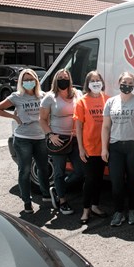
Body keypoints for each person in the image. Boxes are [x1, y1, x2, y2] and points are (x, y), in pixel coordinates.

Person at [102, 72, 134, 227]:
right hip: (115, 147)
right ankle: (118, 212)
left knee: (133, 181)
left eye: (130, 82)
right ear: (119, 82)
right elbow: (106, 126)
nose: (127, 85)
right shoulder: (110, 102)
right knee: (116, 182)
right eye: (125, 82)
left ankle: (132, 210)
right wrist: (104, 148)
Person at [0, 69, 51, 213]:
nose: (29, 82)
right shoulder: (16, 96)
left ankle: (46, 195)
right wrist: (14, 118)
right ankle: (27, 201)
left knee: (43, 168)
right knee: (25, 171)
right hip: (23, 139)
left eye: (31, 79)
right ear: (21, 82)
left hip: (40, 138)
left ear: (36, 80)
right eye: (25, 80)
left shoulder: (43, 96)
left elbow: (51, 111)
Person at [40, 69, 84, 215]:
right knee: (59, 172)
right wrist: (50, 135)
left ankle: (58, 189)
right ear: (55, 80)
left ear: (70, 79)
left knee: (80, 171)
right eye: (60, 77)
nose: (63, 80)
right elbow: (42, 119)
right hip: (59, 139)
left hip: (76, 138)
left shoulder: (77, 94)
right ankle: (63, 201)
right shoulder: (49, 97)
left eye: (65, 77)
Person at [74, 71, 109, 224]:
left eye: (98, 80)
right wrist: (81, 148)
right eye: (92, 80)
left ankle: (95, 206)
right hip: (88, 147)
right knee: (90, 179)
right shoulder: (82, 102)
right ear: (87, 84)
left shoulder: (108, 100)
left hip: (104, 148)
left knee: (99, 179)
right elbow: (78, 126)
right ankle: (86, 210)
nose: (96, 83)